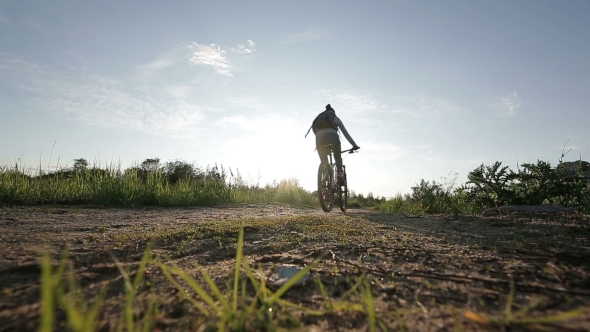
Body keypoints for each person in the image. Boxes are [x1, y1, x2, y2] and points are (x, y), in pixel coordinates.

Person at [307, 104, 360, 183]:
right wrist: (354, 145)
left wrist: (319, 139)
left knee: (323, 160)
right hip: (333, 138)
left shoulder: (318, 118)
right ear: (333, 112)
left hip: (319, 139)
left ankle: (325, 172)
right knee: (337, 156)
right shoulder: (334, 117)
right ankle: (339, 173)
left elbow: (314, 130)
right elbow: (345, 133)